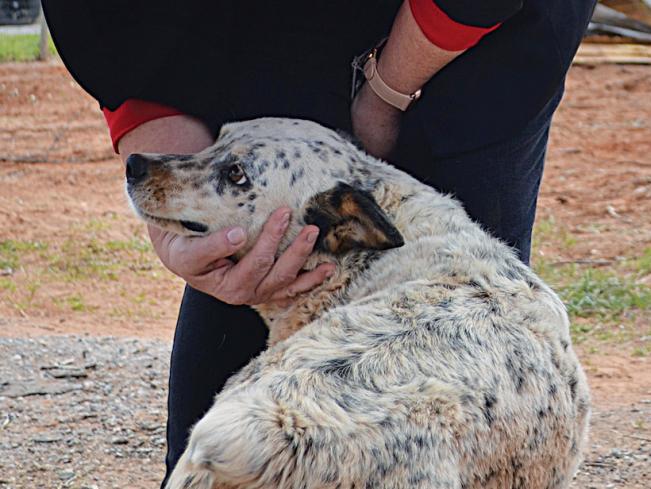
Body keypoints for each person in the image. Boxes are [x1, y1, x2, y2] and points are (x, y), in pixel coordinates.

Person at [42, 0, 596, 485]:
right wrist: (181, 220)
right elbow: (112, 26)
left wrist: (383, 96)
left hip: (479, 45)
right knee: (252, 287)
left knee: (479, 346)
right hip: (275, 31)